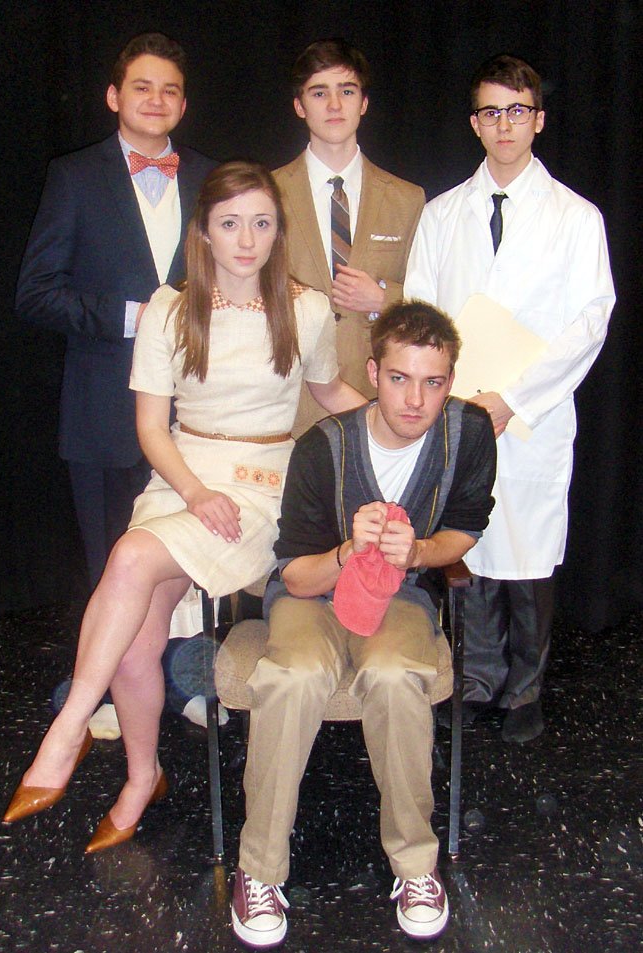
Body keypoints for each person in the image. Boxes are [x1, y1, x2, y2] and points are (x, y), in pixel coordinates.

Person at [3, 161, 365, 853]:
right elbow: (150, 428)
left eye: (262, 223)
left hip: (261, 485)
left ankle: (69, 726)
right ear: (204, 231)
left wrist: (409, 415)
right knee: (138, 638)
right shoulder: (170, 307)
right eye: (230, 223)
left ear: (278, 230)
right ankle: (143, 777)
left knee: (131, 556)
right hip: (181, 477)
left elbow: (330, 394)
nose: (247, 239)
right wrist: (194, 493)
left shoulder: (307, 307)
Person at [231, 301, 496, 947]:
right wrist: (349, 550)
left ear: (451, 382)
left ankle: (415, 866)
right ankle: (258, 870)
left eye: (434, 382)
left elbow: (466, 526)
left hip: (400, 597)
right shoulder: (326, 445)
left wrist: (423, 553)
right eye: (401, 378)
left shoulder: (469, 433)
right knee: (293, 675)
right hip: (313, 594)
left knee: (397, 671)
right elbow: (293, 576)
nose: (416, 399)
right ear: (373, 371)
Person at [404, 54, 615, 743]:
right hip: (459, 410)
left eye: (517, 110)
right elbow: (420, 312)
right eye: (491, 111)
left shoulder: (576, 217)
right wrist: (453, 398)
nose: (504, 124)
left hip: (536, 412)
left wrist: (514, 398)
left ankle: (525, 688)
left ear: (539, 120)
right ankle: (475, 677)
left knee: (527, 549)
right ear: (474, 122)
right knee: (470, 544)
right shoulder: (443, 215)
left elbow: (590, 319)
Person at [16, 32, 216, 738]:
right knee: (111, 558)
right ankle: (100, 687)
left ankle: (185, 675)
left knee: (189, 556)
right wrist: (131, 316)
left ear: (183, 104)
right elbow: (35, 293)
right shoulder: (75, 176)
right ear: (114, 96)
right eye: (142, 86)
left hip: (196, 415)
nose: (156, 99)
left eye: (169, 90)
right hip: (102, 407)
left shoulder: (211, 177)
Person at [274, 38, 425, 435]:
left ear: (364, 102)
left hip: (376, 400)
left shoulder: (408, 199)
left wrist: (384, 298)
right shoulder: (266, 195)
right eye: (319, 93)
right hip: (286, 402)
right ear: (299, 105)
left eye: (347, 91)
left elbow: (435, 296)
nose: (335, 105)